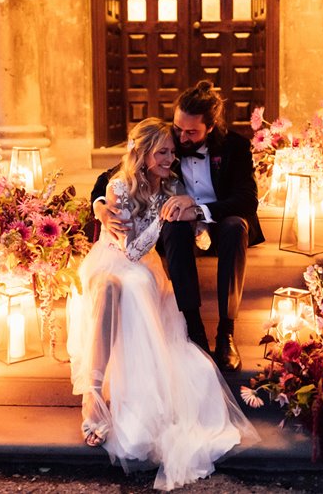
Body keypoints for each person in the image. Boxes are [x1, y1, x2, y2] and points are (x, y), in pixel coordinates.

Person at [67, 118, 259, 491]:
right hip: (114, 258)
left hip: (146, 268)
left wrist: (195, 220)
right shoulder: (119, 185)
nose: (172, 157)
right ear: (143, 154)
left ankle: (125, 395)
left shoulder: (171, 183)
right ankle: (92, 396)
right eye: (164, 152)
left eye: (173, 151)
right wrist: (160, 218)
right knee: (115, 285)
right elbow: (132, 250)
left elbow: (192, 221)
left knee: (138, 285)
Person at [92, 81, 264, 371]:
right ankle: (194, 330)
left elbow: (247, 200)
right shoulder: (169, 142)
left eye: (191, 132)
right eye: (178, 128)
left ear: (210, 127)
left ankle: (226, 332)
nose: (182, 137)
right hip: (178, 228)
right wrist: (99, 205)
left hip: (219, 219)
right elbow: (111, 176)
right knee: (172, 224)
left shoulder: (235, 146)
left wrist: (198, 210)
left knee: (237, 227)